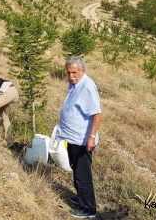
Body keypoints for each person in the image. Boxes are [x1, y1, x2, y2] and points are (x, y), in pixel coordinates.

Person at [56, 55, 101, 219]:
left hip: (83, 139)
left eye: (74, 72)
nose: (71, 76)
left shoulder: (87, 86)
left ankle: (88, 209)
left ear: (83, 70)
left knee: (83, 174)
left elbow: (97, 114)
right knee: (76, 169)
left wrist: (91, 136)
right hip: (73, 137)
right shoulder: (75, 84)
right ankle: (80, 197)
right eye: (68, 73)